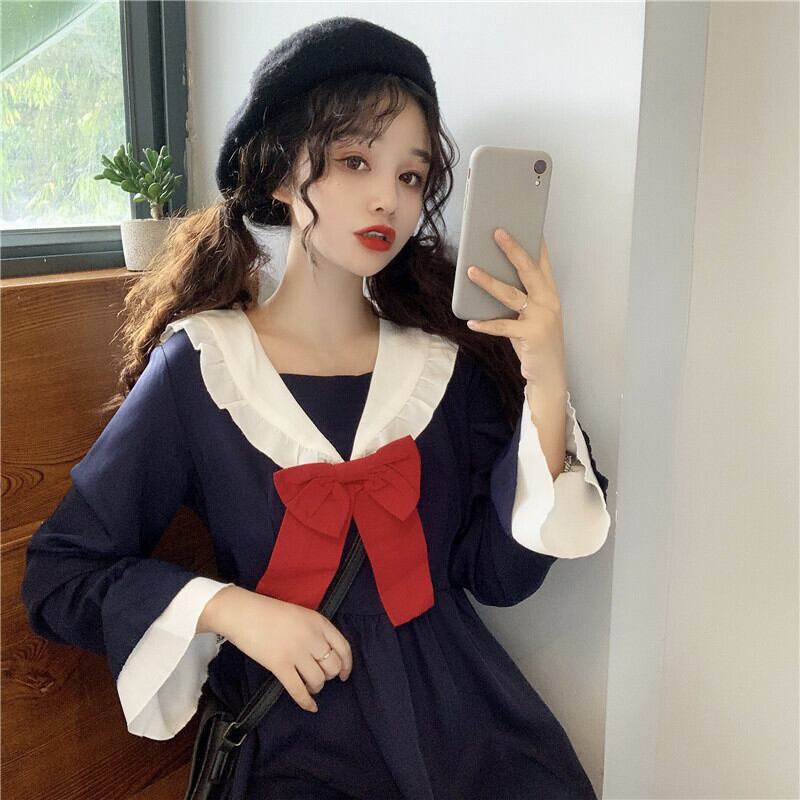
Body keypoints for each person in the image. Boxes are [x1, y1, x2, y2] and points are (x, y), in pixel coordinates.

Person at [21, 16, 611, 800]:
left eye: (411, 176)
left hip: (464, 730)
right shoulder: (203, 368)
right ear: (278, 173)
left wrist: (546, 374)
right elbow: (60, 575)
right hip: (296, 743)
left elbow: (498, 576)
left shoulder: (441, 369)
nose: (387, 198)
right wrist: (233, 611)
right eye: (354, 160)